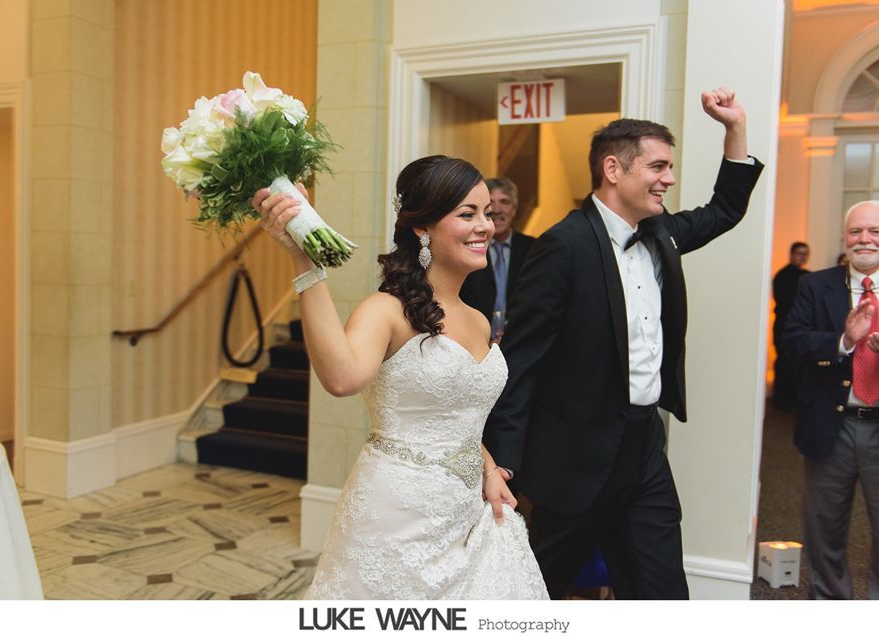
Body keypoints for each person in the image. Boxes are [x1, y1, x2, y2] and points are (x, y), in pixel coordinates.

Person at [483, 87, 763, 600]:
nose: (670, 178)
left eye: (670, 167)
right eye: (658, 167)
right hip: (575, 456)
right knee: (534, 592)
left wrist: (735, 128)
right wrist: (503, 463)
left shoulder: (662, 234)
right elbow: (519, 361)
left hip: (644, 447)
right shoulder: (561, 246)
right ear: (614, 169)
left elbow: (725, 209)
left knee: (661, 593)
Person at [254, 155, 548, 600]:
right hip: (396, 517)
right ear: (422, 227)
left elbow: (459, 414)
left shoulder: (479, 321)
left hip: (469, 513)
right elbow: (340, 378)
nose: (485, 225)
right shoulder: (385, 310)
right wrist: (304, 263)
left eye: (487, 213)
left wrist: (488, 468)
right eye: (467, 214)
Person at [781, 200, 879, 600]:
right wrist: (843, 341)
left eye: (874, 231)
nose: (865, 239)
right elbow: (790, 343)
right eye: (856, 231)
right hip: (829, 429)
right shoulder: (814, 285)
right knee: (825, 534)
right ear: (845, 237)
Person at [459, 177, 535, 342]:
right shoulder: (468, 245)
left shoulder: (533, 249)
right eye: (491, 203)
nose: (497, 209)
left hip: (518, 342)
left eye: (505, 202)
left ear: (514, 209)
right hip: (473, 340)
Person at [772, 242, 810, 410]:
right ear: (791, 254)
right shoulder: (783, 276)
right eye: (799, 253)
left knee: (798, 364)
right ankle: (782, 400)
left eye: (805, 253)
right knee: (785, 363)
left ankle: (792, 400)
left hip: (800, 327)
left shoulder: (807, 276)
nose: (802, 256)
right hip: (784, 325)